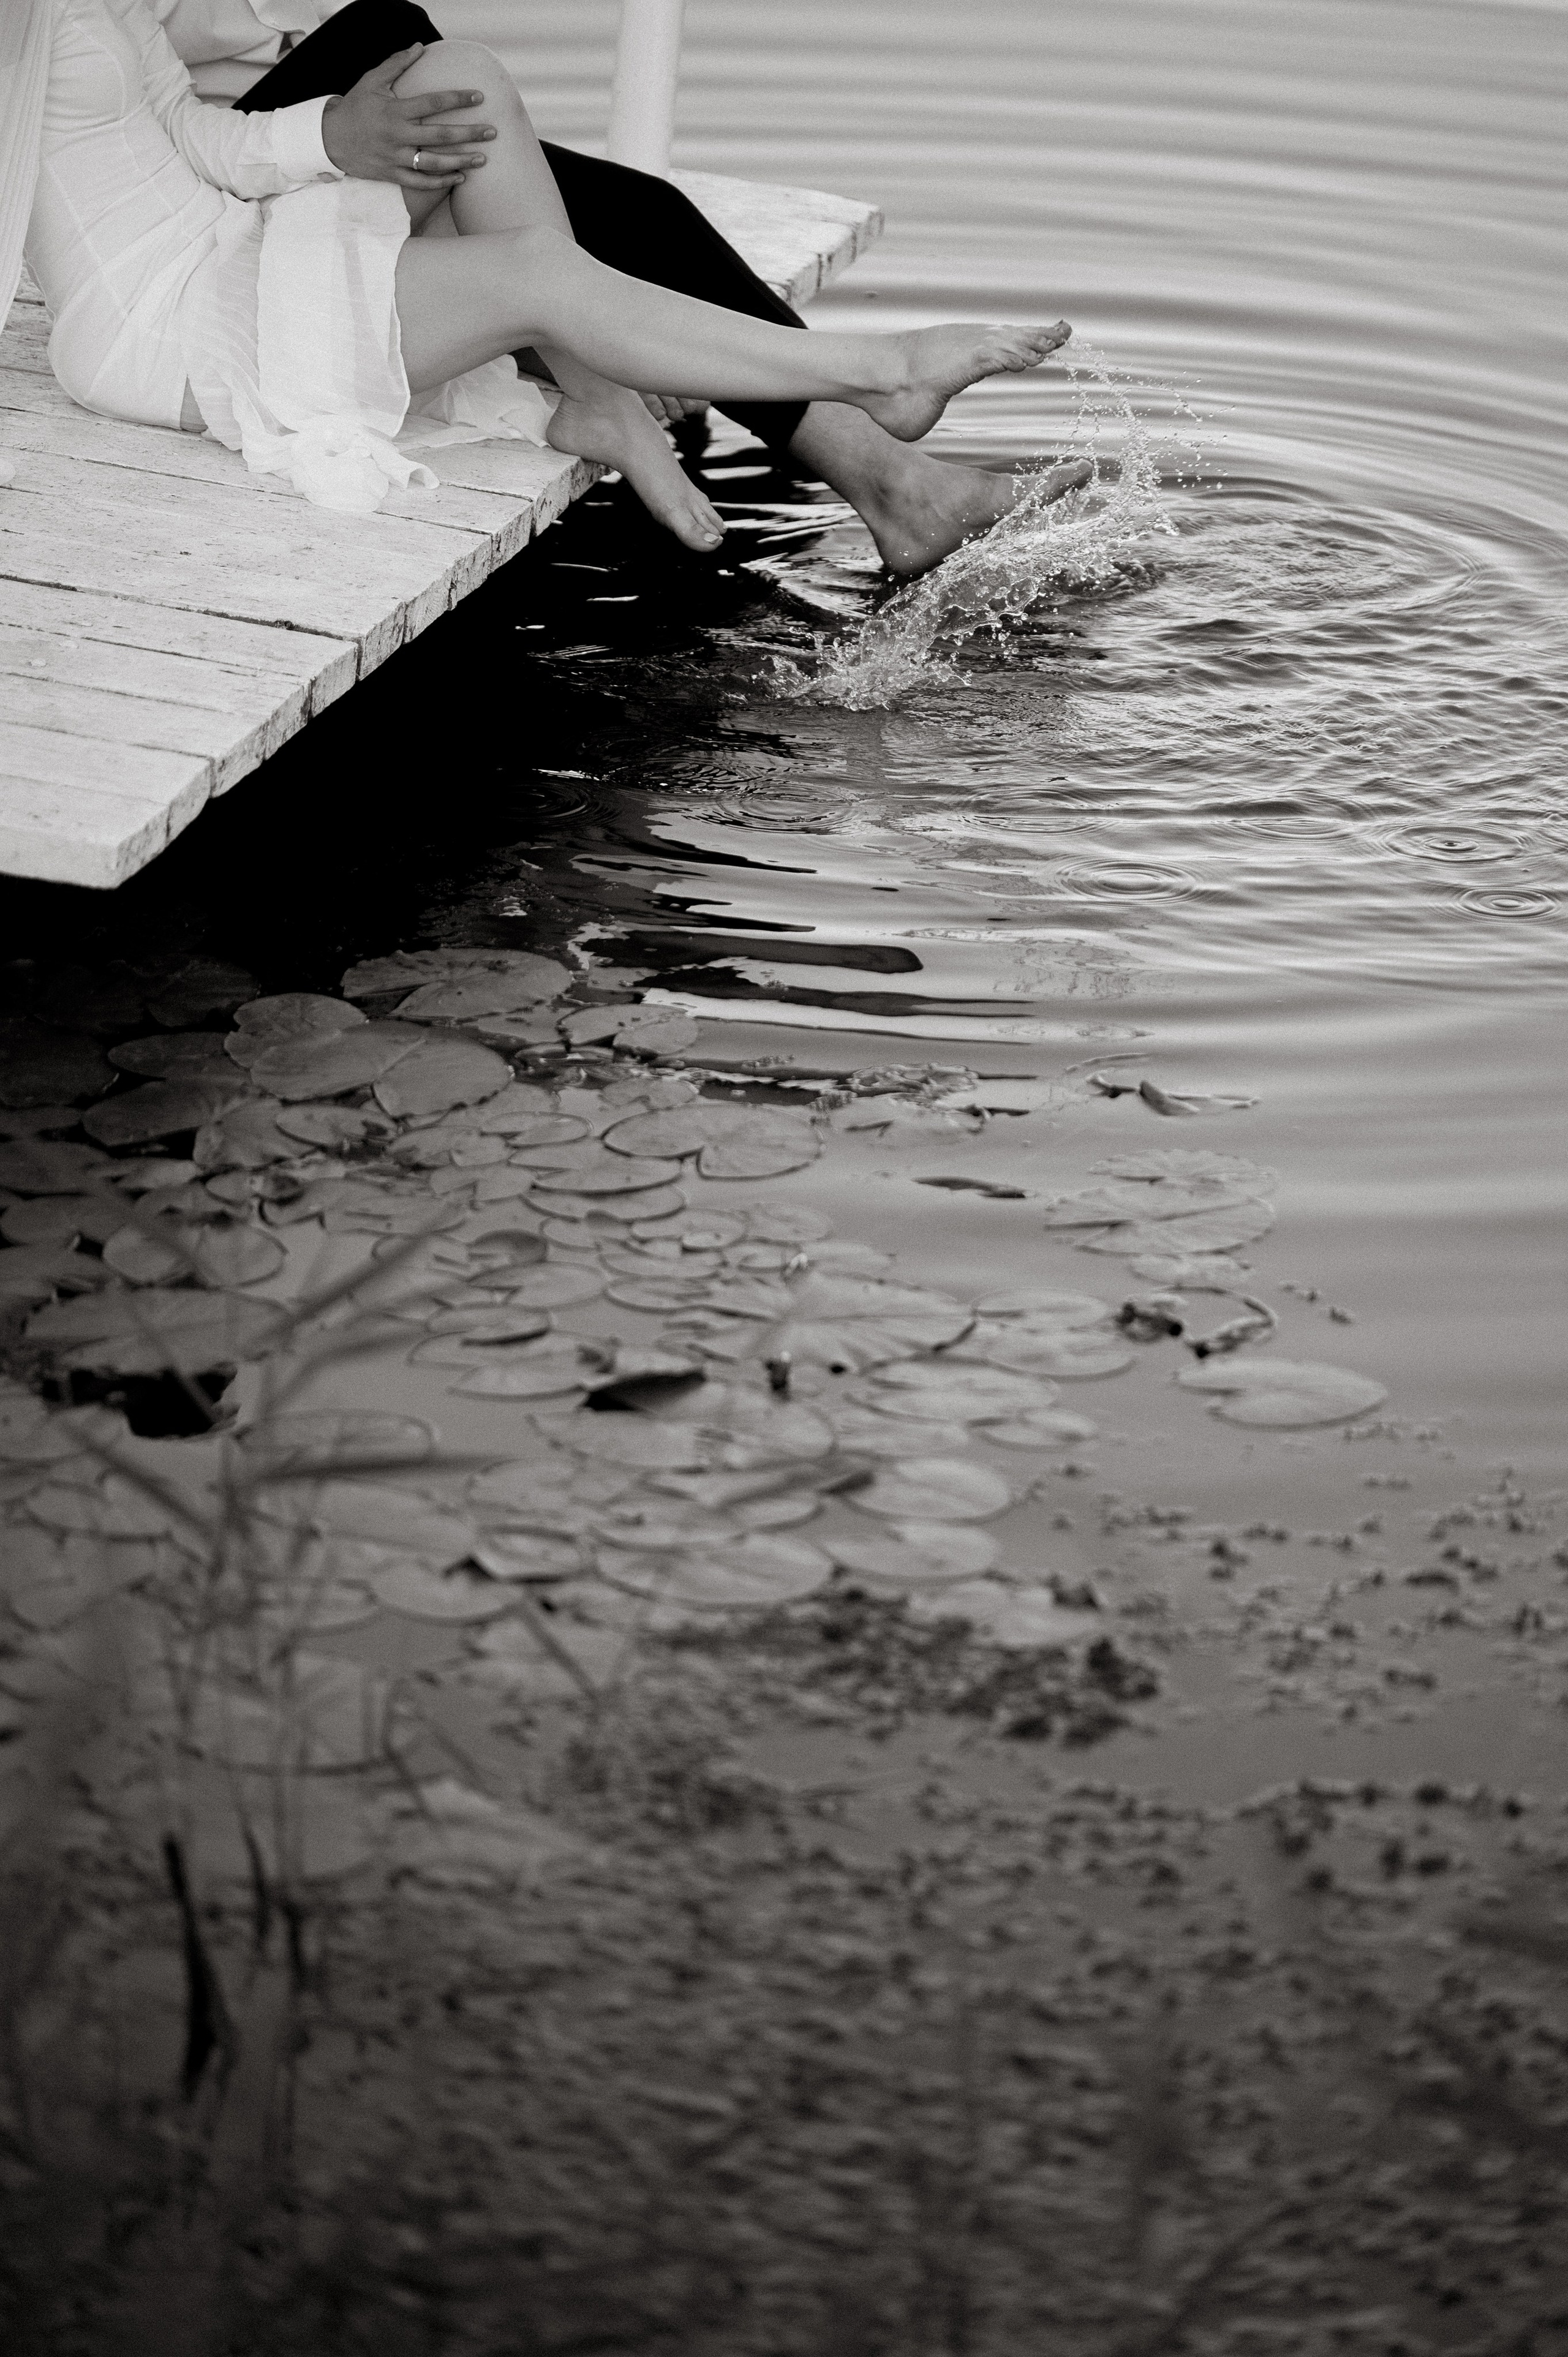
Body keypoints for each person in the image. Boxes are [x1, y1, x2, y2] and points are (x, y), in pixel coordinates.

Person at [4, 0, 1087, 556]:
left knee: (460, 78)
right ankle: (874, 377)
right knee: (535, 269)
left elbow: (192, 142)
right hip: (157, 327)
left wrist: (337, 133)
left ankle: (603, 392)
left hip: (211, 240)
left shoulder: (112, 7)